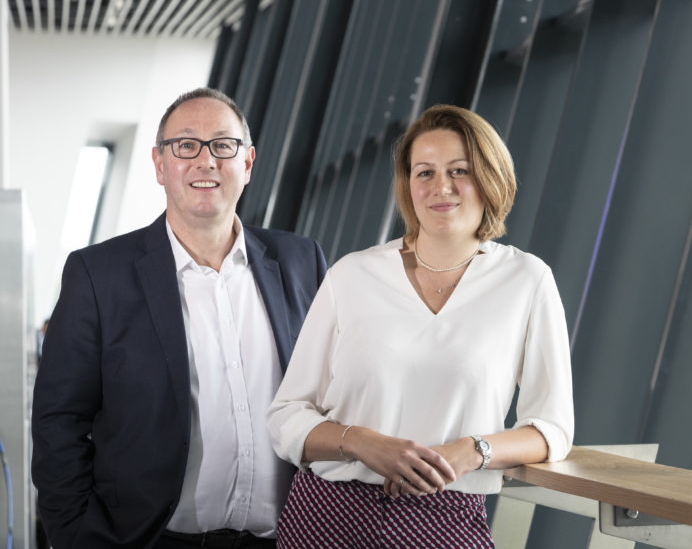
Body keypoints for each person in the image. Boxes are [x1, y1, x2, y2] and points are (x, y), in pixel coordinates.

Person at [266, 104, 574, 547]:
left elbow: (552, 428)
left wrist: (471, 451)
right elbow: (287, 415)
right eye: (424, 172)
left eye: (459, 170)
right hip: (328, 515)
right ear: (407, 186)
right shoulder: (351, 276)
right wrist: (362, 442)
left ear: (491, 178)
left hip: (447, 516)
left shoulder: (527, 281)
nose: (440, 187)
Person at [31, 87, 327, 549]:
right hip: (148, 540)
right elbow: (59, 422)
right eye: (186, 145)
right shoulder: (98, 274)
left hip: (285, 539)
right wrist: (77, 536)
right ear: (159, 164)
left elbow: (334, 391)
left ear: (247, 163)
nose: (205, 161)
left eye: (223, 146)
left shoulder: (301, 261)